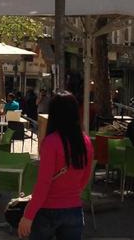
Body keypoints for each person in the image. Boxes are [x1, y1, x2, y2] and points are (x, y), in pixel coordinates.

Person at [18, 92, 93, 240]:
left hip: (48, 209)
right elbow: (85, 177)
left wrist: (28, 215)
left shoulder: (51, 142)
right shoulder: (86, 142)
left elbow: (43, 183)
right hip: (74, 209)